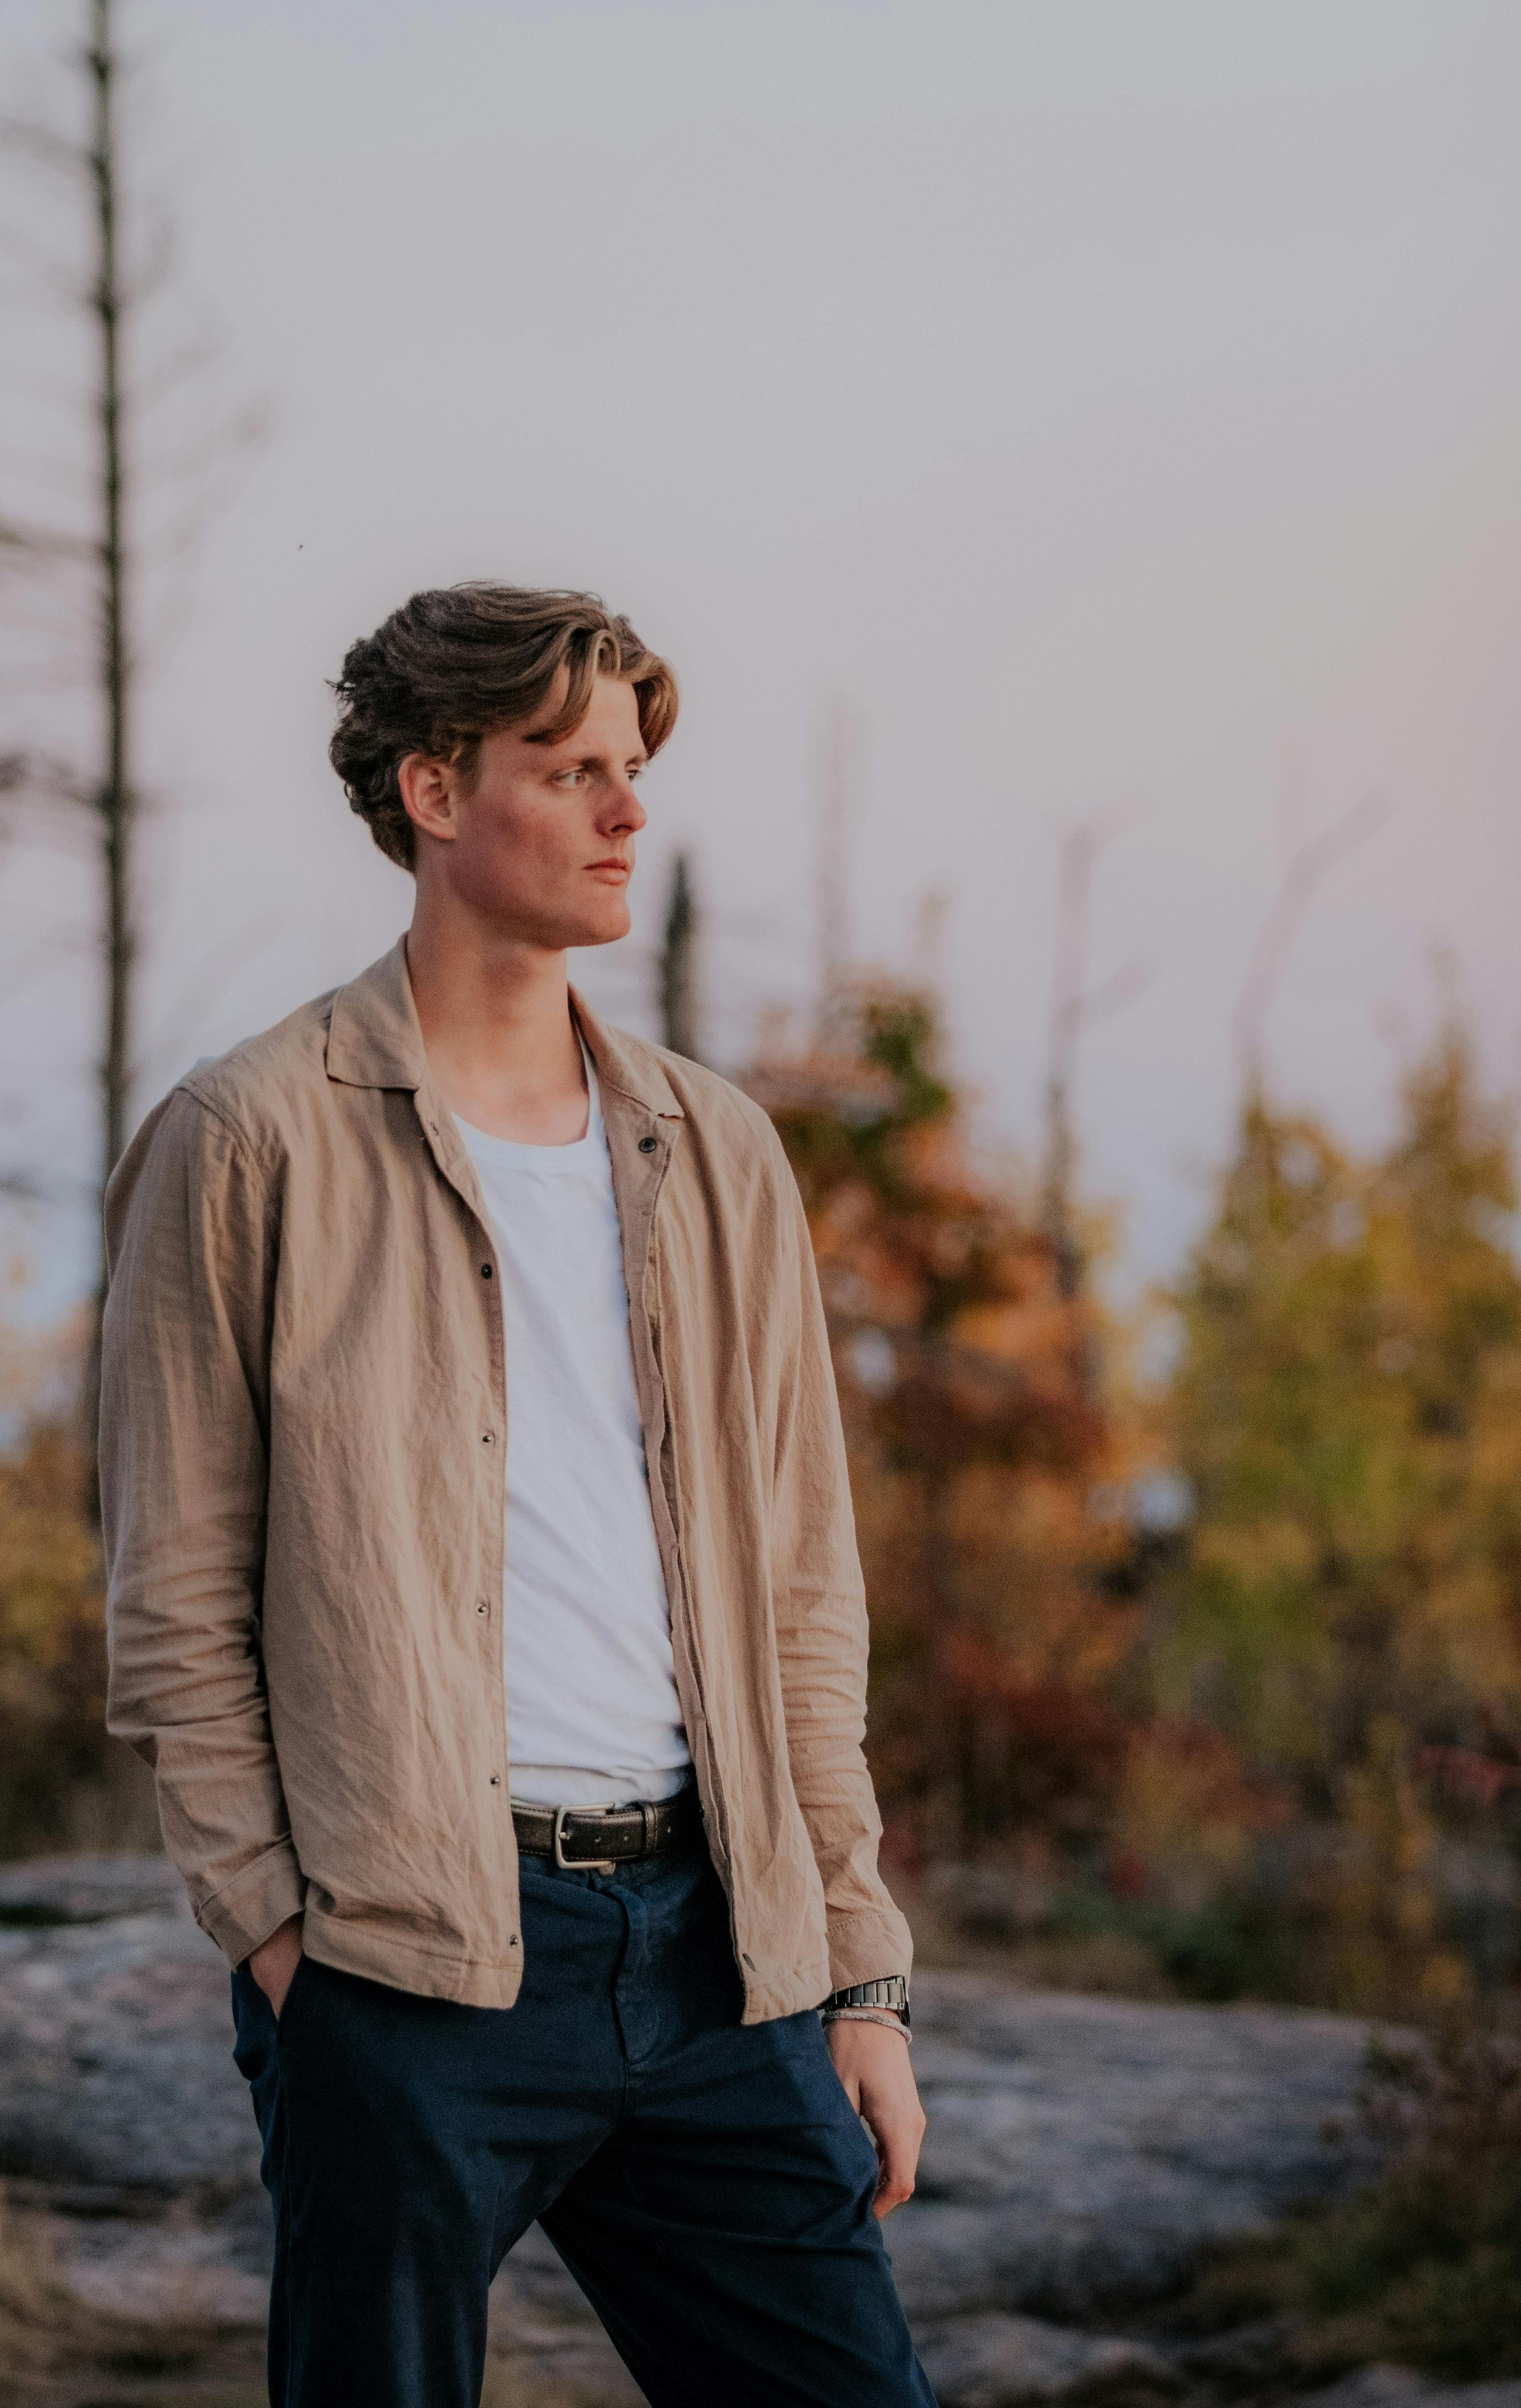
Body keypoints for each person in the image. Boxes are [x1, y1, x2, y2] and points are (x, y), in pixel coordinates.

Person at [99, 583, 936, 2407]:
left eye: (631, 768)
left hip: (723, 1963)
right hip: (406, 1976)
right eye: (571, 771)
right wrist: (284, 1952)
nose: (629, 811)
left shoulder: (718, 1153)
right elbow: (170, 1608)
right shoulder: (247, 1142)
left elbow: (802, 1591)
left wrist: (854, 1975)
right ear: (434, 791)